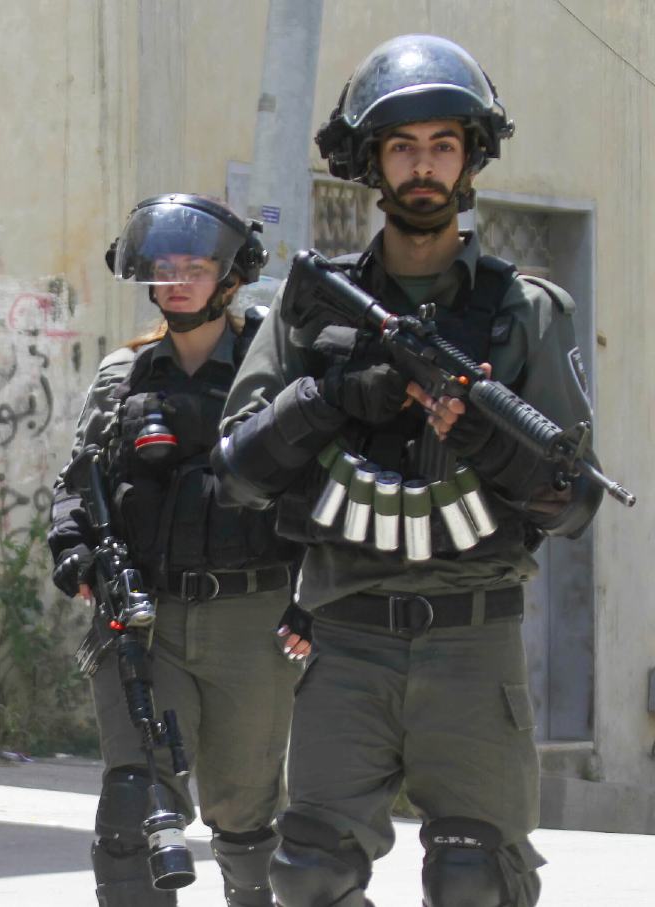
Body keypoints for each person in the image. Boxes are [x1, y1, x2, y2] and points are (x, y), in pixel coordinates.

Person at [213, 35, 605, 907]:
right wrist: (338, 397)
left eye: (441, 145)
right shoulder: (311, 308)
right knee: (308, 871)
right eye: (401, 146)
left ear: (468, 159)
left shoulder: (525, 312)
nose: (422, 166)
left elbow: (574, 500)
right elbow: (237, 470)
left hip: (474, 634)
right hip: (346, 630)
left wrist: (484, 440)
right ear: (370, 163)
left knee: (475, 881)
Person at [48, 195, 303, 907]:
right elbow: (76, 483)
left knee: (247, 816)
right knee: (135, 806)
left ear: (229, 276)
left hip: (251, 619)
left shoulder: (272, 372)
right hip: (145, 617)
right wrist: (75, 550)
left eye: (197, 266)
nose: (180, 280)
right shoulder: (122, 377)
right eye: (166, 267)